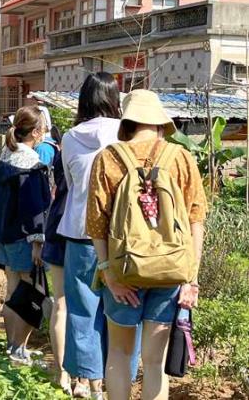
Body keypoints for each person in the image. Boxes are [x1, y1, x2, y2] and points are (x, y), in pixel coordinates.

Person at [87, 90, 206, 400]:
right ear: (160, 124)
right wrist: (190, 277)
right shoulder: (180, 157)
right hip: (171, 270)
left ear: (127, 122)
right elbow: (196, 219)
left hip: (124, 271)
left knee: (120, 354)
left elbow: (96, 225)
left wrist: (107, 274)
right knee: (154, 362)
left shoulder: (109, 158)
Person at [59, 72, 122, 399]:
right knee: (119, 309)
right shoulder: (124, 134)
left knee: (82, 310)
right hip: (119, 239)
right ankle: (115, 379)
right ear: (114, 98)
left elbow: (70, 184)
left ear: (84, 99)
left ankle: (87, 382)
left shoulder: (69, 137)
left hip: (80, 234)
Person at [0, 106, 52, 365]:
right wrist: (37, 243)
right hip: (23, 238)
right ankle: (19, 348)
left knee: (12, 289)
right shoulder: (32, 165)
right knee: (28, 293)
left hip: (4, 234)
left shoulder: (7, 155)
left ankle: (11, 346)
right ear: (36, 132)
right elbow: (34, 210)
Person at [39, 129, 71, 393]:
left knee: (61, 303)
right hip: (91, 234)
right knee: (89, 309)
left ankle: (62, 373)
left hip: (59, 223)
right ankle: (86, 378)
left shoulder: (68, 144)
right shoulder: (112, 141)